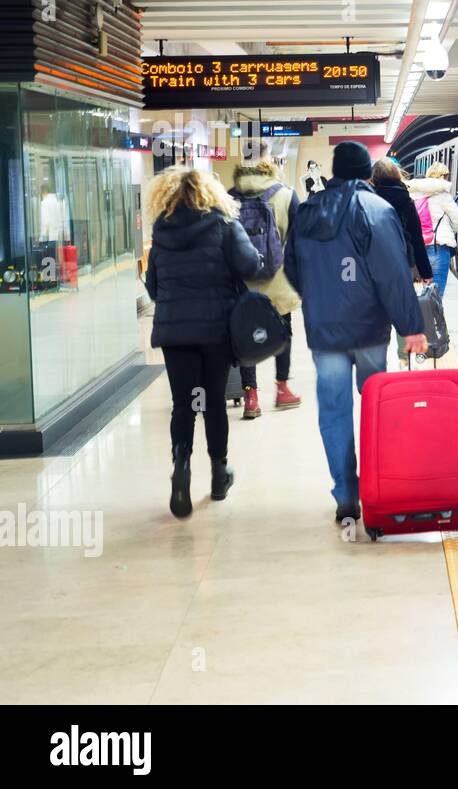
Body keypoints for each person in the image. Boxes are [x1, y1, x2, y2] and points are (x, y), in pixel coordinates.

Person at [284, 141, 427, 523]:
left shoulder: (309, 210)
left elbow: (292, 268)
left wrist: (317, 300)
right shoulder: (376, 209)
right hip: (369, 330)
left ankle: (346, 494)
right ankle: (379, 484)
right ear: (366, 172)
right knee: (377, 404)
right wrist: (411, 326)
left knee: (334, 411)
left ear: (335, 171)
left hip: (325, 332)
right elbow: (392, 274)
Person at [144, 166, 261, 519]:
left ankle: (181, 467)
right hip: (215, 329)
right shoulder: (224, 224)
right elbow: (251, 266)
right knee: (212, 402)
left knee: (184, 404)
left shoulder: (161, 231)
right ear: (208, 192)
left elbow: (153, 286)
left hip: (176, 333)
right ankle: (218, 474)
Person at [229, 145, 302, 418]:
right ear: (267, 161)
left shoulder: (228, 197)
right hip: (278, 281)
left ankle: (251, 396)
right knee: (284, 333)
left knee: (245, 337)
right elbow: (298, 242)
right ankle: (282, 389)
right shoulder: (285, 195)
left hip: (241, 283)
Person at [369, 158, 434, 284]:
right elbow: (416, 239)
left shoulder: (366, 199)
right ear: (396, 174)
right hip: (402, 262)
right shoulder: (406, 200)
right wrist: (426, 272)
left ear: (373, 176)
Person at [408, 162, 458, 297]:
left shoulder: (412, 194)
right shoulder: (443, 195)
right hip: (438, 248)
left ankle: (419, 318)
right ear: (443, 177)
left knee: (417, 296)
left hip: (416, 250)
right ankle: (431, 319)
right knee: (435, 297)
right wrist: (449, 232)